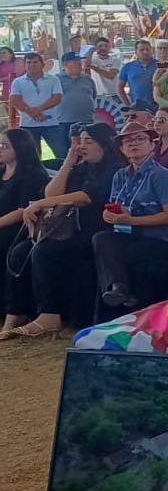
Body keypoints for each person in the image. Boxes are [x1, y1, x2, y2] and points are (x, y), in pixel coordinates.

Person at [4, 123, 123, 338]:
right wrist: (68, 162)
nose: (82, 146)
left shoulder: (114, 169)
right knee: (20, 251)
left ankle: (50, 314)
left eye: (89, 141)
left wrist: (40, 204)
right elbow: (50, 192)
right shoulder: (81, 167)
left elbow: (86, 197)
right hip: (67, 229)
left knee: (45, 251)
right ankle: (16, 312)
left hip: (96, 231)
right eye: (80, 141)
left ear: (104, 144)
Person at [91, 122, 168, 309]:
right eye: (128, 141)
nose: (134, 144)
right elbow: (115, 206)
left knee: (122, 255)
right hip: (130, 232)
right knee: (100, 239)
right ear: (121, 149)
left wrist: (132, 220)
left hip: (161, 237)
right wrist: (110, 215)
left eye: (140, 139)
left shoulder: (160, 175)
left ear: (152, 145)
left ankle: (125, 295)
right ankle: (120, 288)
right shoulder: (120, 175)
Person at [0, 130, 50, 340]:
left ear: (19, 148)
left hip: (20, 228)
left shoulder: (32, 174)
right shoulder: (2, 171)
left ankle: (14, 311)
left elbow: (23, 210)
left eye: (5, 146)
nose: (0, 150)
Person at [8, 52, 63, 164]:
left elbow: (57, 98)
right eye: (29, 62)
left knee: (61, 153)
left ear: (42, 64)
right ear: (25, 64)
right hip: (28, 125)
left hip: (51, 124)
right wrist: (32, 113)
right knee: (32, 158)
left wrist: (38, 109)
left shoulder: (53, 79)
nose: (32, 65)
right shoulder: (17, 82)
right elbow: (15, 100)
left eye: (35, 62)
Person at [116, 40, 159, 107]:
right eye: (142, 50)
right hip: (136, 107)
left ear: (151, 50)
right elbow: (119, 88)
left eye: (147, 49)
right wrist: (128, 106)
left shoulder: (160, 65)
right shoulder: (127, 67)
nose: (145, 52)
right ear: (136, 52)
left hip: (157, 107)